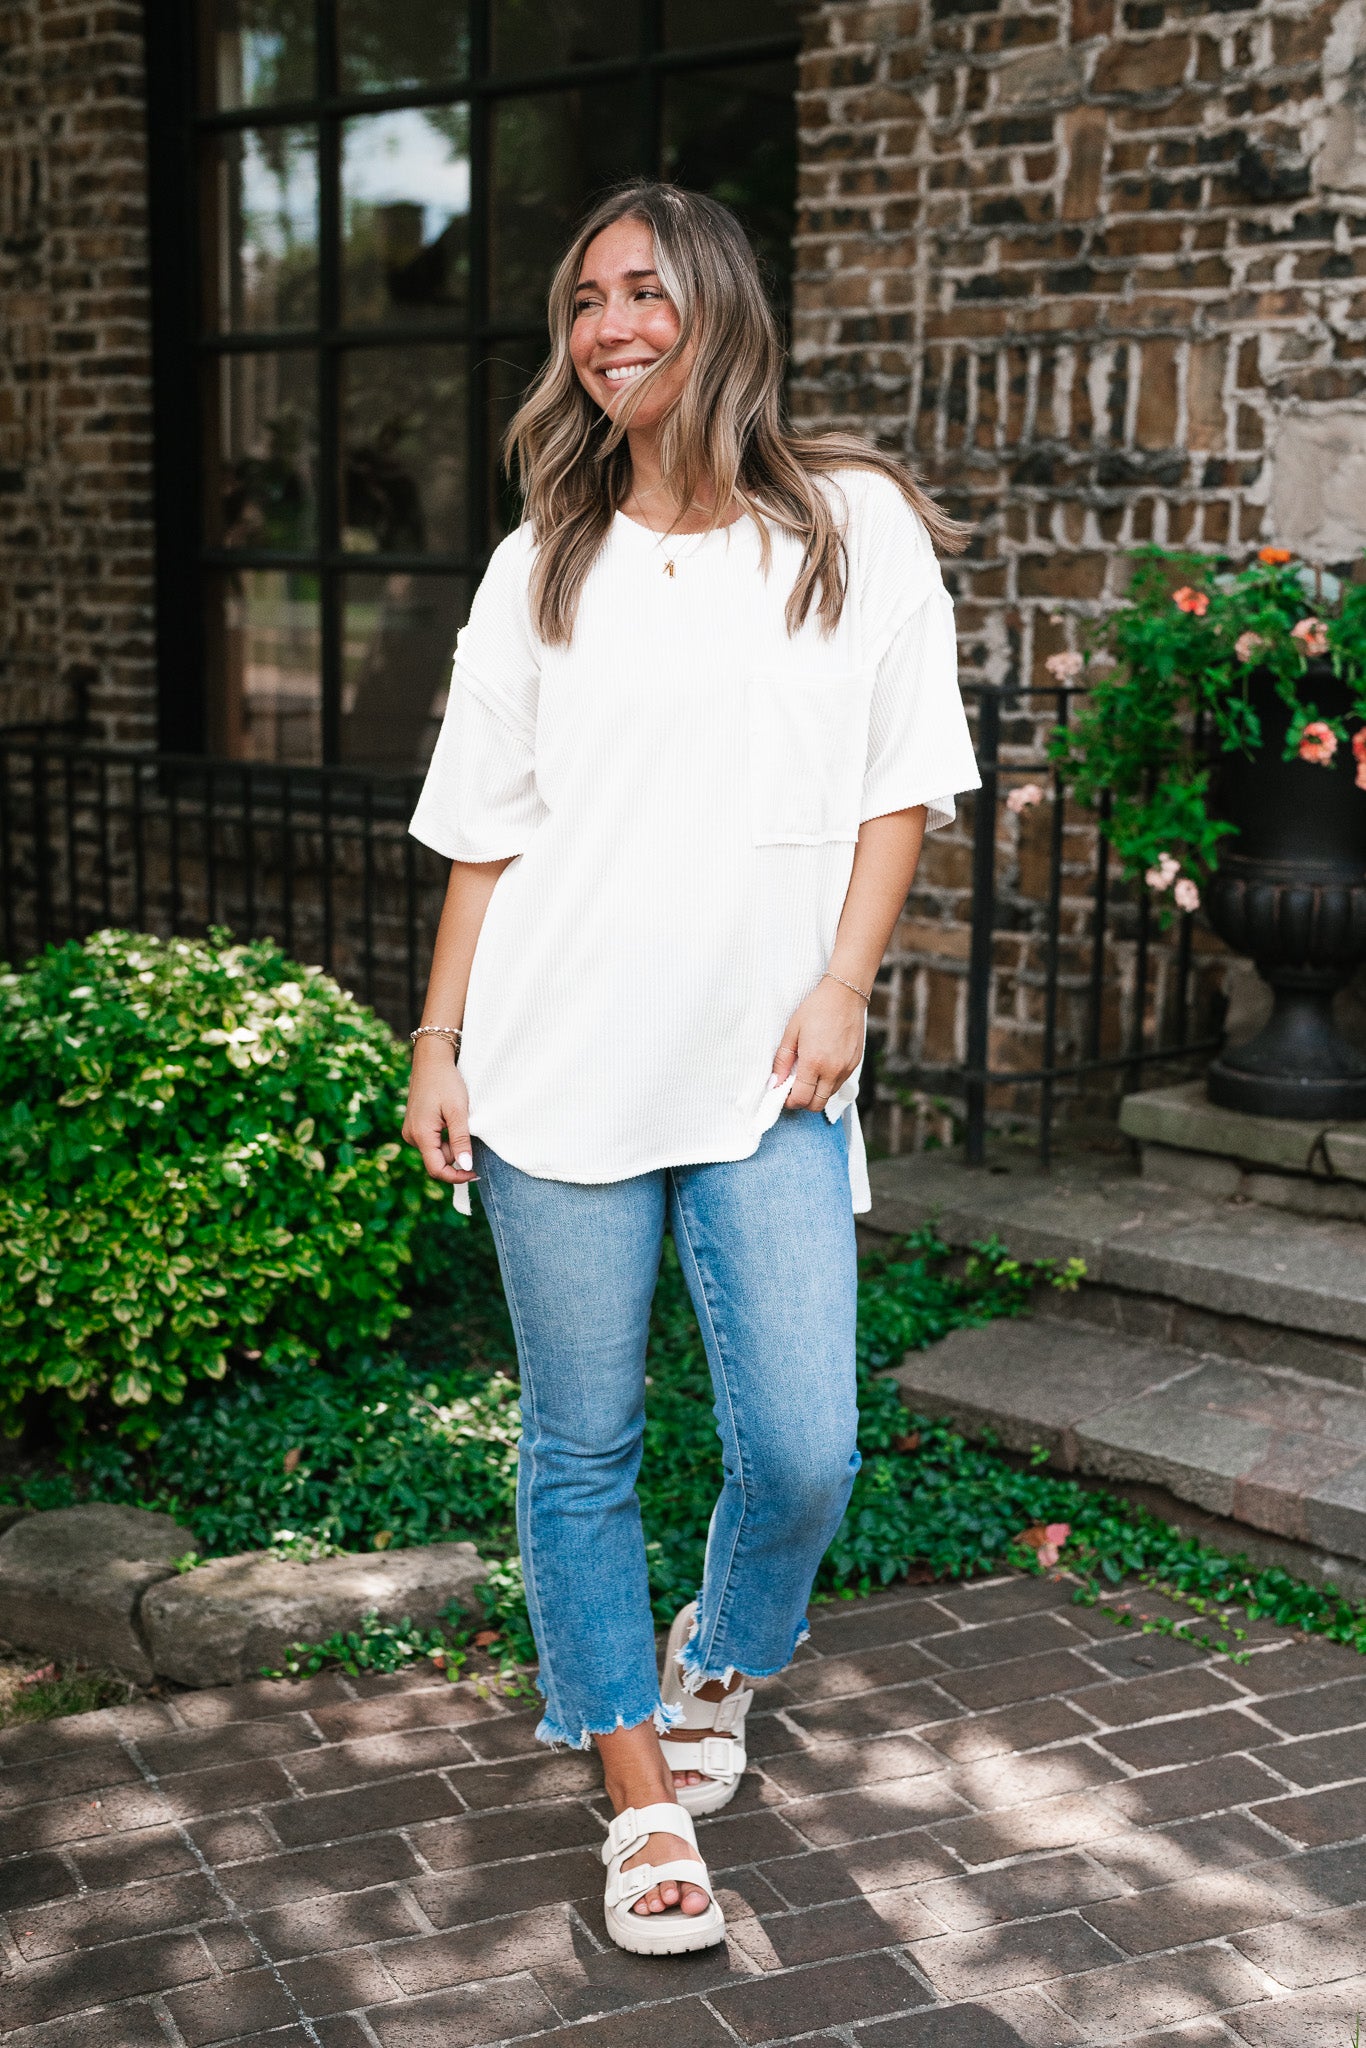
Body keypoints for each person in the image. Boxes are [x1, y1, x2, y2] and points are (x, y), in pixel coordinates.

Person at [402, 180, 979, 1957]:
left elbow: (901, 782)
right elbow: (485, 834)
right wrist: (440, 1039)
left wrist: (847, 983)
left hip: (767, 1068)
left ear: (718, 306)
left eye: (640, 290)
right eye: (582, 301)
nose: (607, 327)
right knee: (580, 1448)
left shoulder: (851, 526)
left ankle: (718, 1651)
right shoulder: (539, 562)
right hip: (557, 1061)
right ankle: (638, 1804)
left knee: (804, 1449)